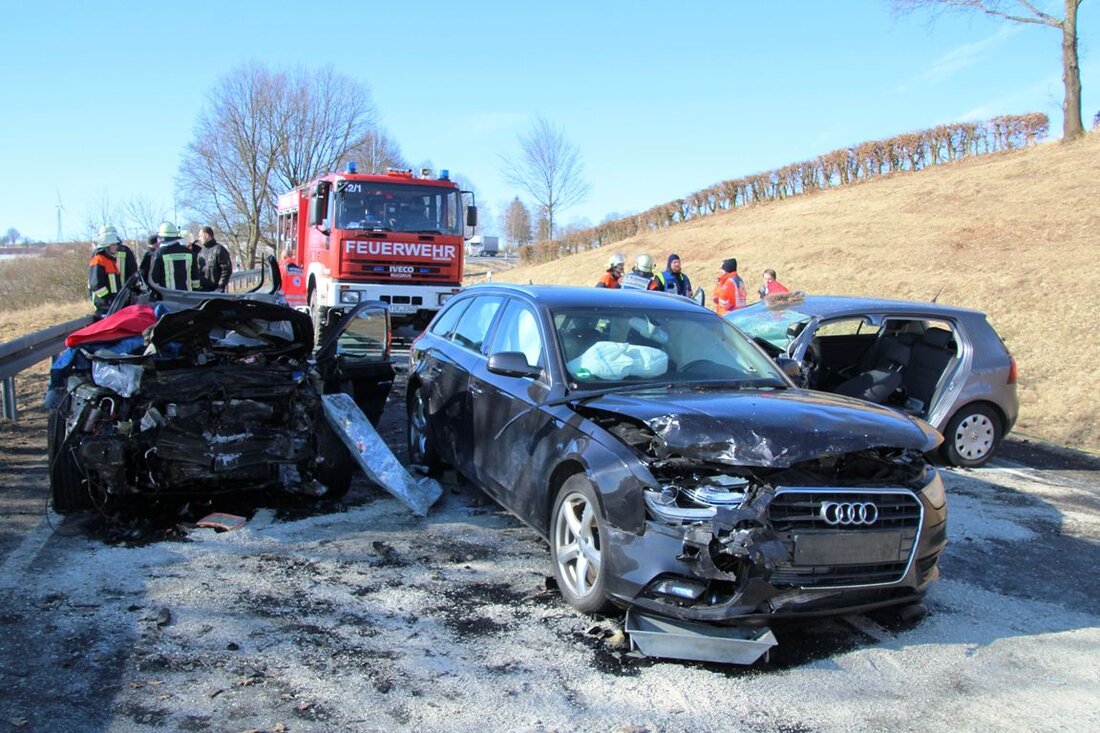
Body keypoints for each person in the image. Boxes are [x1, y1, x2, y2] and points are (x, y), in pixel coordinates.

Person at [150, 221, 200, 291]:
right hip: (188, 297)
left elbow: (154, 280)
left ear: (161, 237)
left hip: (168, 298)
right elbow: (195, 278)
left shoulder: (158, 254)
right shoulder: (190, 253)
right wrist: (195, 291)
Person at [88, 229, 122, 317]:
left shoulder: (110, 261)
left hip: (113, 305)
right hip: (103, 307)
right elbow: (95, 285)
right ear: (107, 246)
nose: (116, 247)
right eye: (113, 245)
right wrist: (108, 299)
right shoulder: (98, 260)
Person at [197, 226, 233, 292]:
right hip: (203, 291)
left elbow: (226, 269)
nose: (199, 238)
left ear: (206, 236)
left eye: (200, 236)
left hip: (216, 291)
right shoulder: (201, 252)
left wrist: (220, 286)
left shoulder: (219, 249)